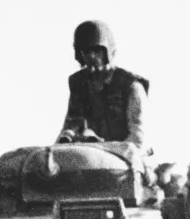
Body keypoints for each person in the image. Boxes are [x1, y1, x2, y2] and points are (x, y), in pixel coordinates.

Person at [58, 20, 149, 150]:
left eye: (97, 51)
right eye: (86, 52)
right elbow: (69, 127)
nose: (91, 57)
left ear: (108, 52)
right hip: (88, 156)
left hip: (125, 157)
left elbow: (138, 139)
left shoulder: (130, 86)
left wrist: (106, 152)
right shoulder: (79, 85)